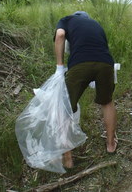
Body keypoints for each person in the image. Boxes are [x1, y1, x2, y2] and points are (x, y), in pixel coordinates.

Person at [54, 11, 117, 168]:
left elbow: (60, 35)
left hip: (80, 63)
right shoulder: (96, 24)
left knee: (65, 107)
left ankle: (68, 159)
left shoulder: (67, 19)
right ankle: (110, 145)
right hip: (106, 63)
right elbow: (101, 47)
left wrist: (59, 67)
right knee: (107, 102)